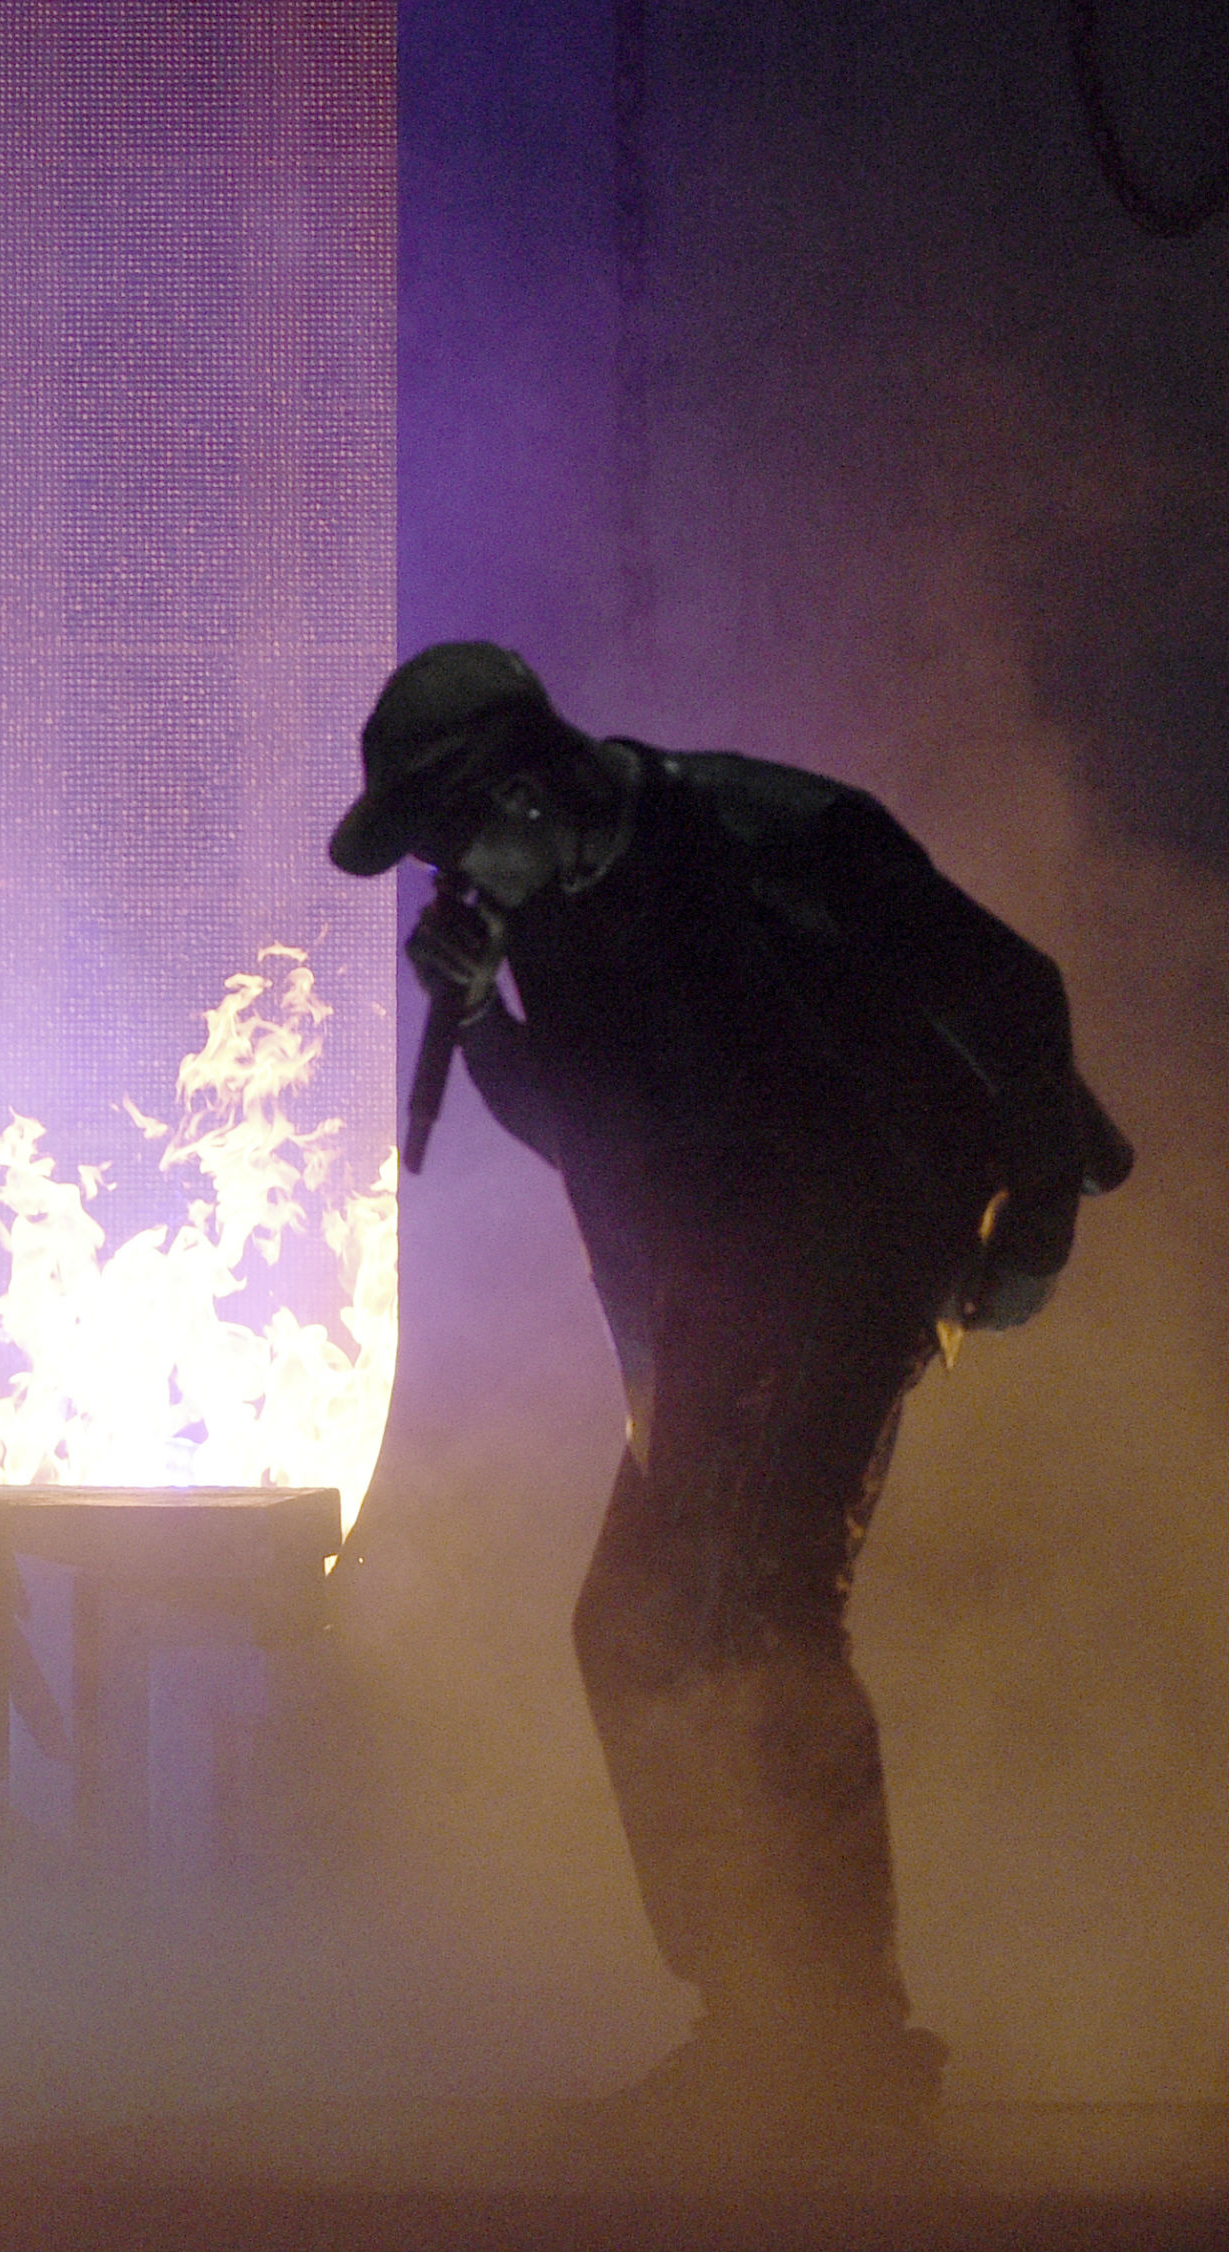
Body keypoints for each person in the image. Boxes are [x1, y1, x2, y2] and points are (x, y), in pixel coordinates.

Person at [330, 642, 1128, 2133]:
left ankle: (843, 2047)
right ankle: (756, 2011)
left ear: (518, 787)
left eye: (447, 844)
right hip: (719, 1289)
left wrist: (1029, 1228)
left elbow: (1011, 994)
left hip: (861, 1246)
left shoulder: (774, 836)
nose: (444, 882)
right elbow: (583, 1131)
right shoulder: (547, 912)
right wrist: (486, 1019)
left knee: (760, 1611)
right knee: (632, 1623)